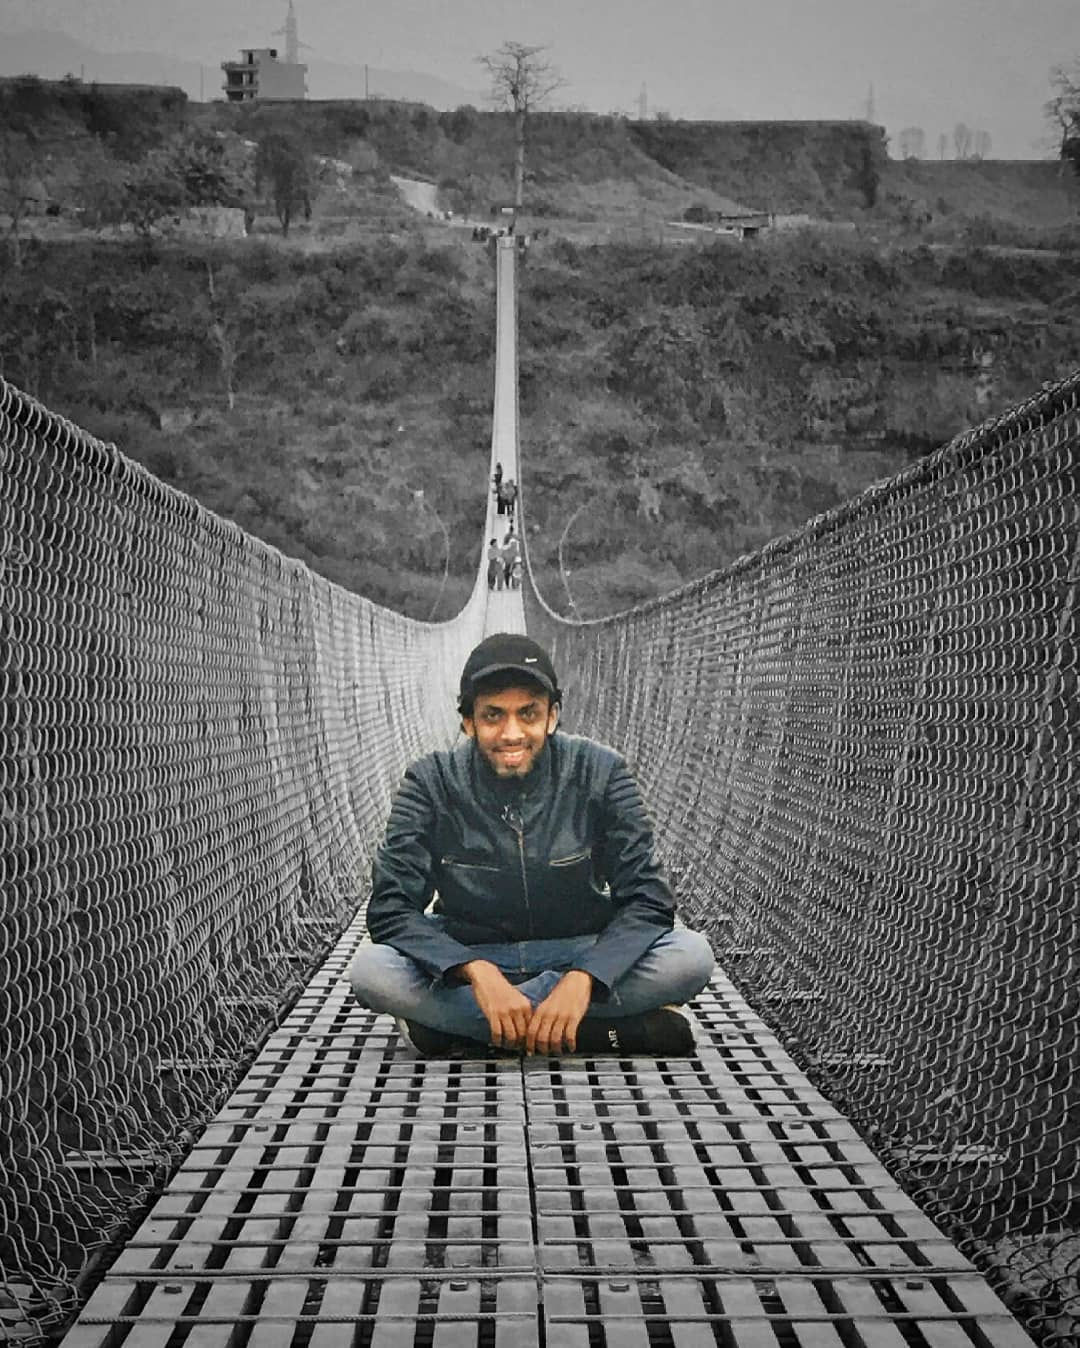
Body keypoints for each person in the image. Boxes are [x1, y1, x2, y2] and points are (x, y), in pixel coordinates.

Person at [348, 633, 715, 1057]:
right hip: (469, 953)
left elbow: (649, 900)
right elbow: (391, 909)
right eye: (493, 715)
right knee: (372, 971)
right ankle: (599, 1032)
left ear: (552, 716)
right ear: (468, 722)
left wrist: (584, 979)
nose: (512, 733)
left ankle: (460, 1028)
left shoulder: (601, 772)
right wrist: (475, 971)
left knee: (690, 956)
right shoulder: (430, 782)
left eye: (528, 713)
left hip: (580, 948)